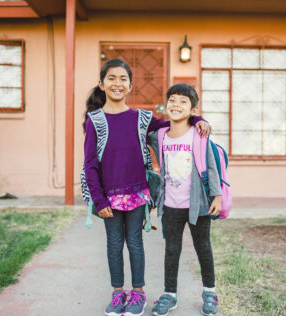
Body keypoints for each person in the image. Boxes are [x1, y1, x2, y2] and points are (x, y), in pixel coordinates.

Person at [83, 59, 210, 316]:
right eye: (111, 78)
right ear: (101, 83)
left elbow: (174, 124)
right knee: (113, 244)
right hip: (108, 197)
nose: (117, 83)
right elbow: (89, 164)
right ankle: (118, 293)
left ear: (131, 85)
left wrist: (197, 118)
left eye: (123, 79)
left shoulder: (142, 118)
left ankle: (138, 294)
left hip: (137, 194)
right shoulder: (94, 120)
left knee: (135, 243)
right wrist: (99, 200)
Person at [148, 83, 222, 316]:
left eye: (183, 101)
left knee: (203, 248)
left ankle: (210, 293)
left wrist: (217, 195)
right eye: (172, 100)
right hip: (170, 205)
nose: (176, 104)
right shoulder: (159, 136)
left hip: (198, 205)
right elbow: (136, 138)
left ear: (193, 110)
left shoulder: (198, 135)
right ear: (165, 105)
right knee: (172, 249)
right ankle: (170, 294)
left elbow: (211, 166)